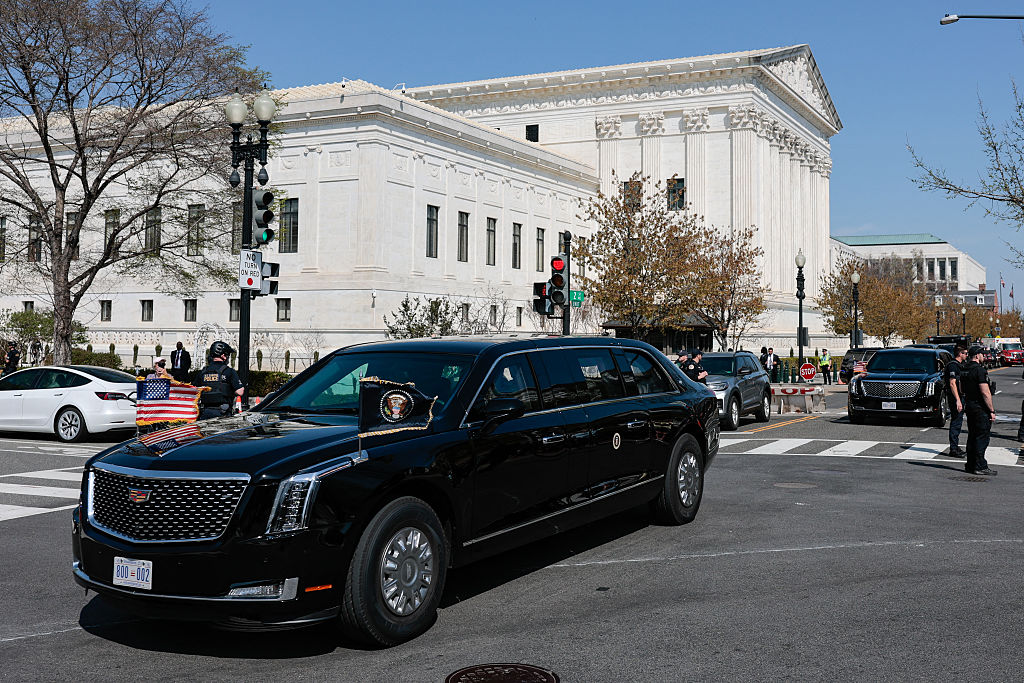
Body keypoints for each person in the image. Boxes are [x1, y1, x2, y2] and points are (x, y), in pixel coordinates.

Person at [960, 345, 997, 475]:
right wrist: (991, 410)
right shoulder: (979, 370)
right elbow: (985, 393)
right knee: (982, 437)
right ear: (977, 355)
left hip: (969, 405)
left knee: (972, 436)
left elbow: (961, 389)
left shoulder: (964, 369)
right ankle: (980, 466)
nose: (983, 356)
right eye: (982, 354)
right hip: (980, 407)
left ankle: (970, 464)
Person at [197, 340, 244, 420]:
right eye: (228, 355)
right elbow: (240, 391)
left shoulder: (203, 372)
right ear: (223, 356)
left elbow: (194, 390)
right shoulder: (229, 371)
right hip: (223, 413)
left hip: (205, 412)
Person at [945, 345, 969, 458]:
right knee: (956, 422)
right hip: (956, 397)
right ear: (960, 353)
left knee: (958, 423)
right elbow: (952, 383)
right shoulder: (953, 366)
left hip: (961, 397)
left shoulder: (960, 365)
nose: (966, 355)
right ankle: (953, 449)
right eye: (965, 353)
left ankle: (955, 446)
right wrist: (958, 400)